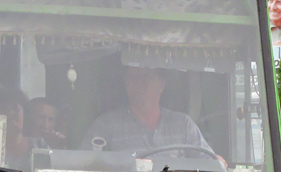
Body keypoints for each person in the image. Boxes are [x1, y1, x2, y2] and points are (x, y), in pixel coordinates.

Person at [81, 64, 214, 158]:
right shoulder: (105, 126)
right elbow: (85, 166)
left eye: (146, 77)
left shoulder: (183, 125)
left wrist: (216, 161)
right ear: (126, 84)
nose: (139, 83)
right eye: (133, 78)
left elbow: (209, 164)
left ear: (162, 84)